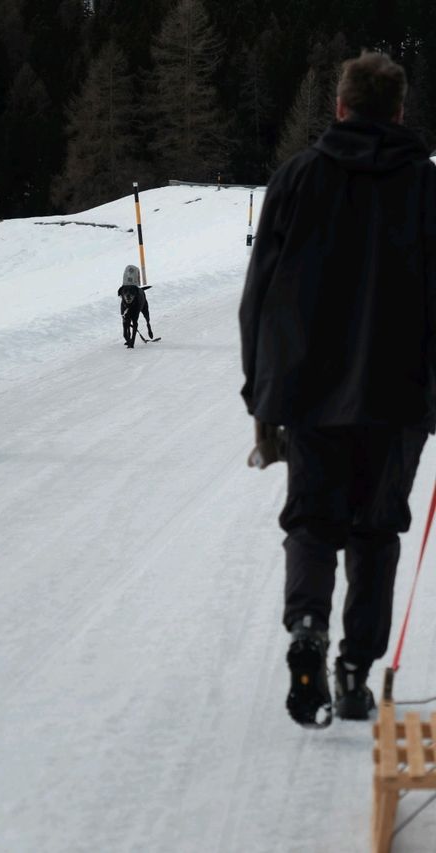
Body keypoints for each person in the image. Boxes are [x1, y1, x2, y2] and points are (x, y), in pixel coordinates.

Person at [239, 51, 436, 728]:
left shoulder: (297, 178)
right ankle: (354, 669)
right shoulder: (426, 185)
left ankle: (306, 629)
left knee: (313, 521)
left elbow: (257, 294)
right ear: (400, 111)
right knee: (376, 530)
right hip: (400, 395)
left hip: (309, 392)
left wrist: (259, 398)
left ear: (341, 108)